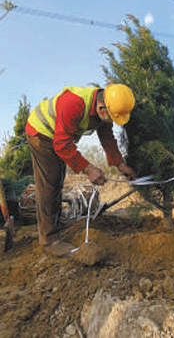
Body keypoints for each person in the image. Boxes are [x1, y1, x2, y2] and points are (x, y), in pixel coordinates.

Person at [26, 84, 137, 257]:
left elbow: (107, 138)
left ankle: (53, 223)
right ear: (101, 108)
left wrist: (120, 165)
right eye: (113, 117)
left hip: (57, 138)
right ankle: (50, 240)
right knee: (50, 182)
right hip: (41, 133)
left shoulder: (104, 109)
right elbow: (62, 144)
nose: (112, 121)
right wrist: (88, 169)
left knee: (57, 180)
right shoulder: (73, 103)